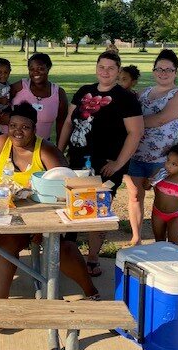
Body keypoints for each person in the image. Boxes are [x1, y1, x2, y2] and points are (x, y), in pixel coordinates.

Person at [0, 102, 99, 300]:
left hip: (45, 218)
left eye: (25, 127)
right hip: (9, 217)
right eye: (13, 126)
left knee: (63, 249)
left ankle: (91, 292)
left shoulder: (46, 151)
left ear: (35, 129)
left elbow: (68, 192)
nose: (18, 132)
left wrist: (42, 226)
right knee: (4, 245)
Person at [58, 50, 143, 277]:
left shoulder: (126, 98)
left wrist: (118, 164)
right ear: (96, 68)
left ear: (118, 71)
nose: (105, 72)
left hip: (106, 165)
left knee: (98, 210)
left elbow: (135, 133)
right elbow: (69, 122)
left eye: (111, 68)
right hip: (77, 161)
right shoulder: (84, 91)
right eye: (102, 67)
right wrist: (59, 152)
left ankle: (92, 257)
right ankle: (69, 253)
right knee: (72, 206)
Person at [124, 49, 178, 246]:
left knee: (163, 202)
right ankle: (136, 237)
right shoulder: (143, 93)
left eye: (168, 70)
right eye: (159, 69)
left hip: (164, 160)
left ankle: (163, 243)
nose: (163, 73)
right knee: (135, 196)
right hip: (135, 155)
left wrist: (129, 123)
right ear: (154, 71)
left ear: (176, 72)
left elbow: (160, 119)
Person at [10, 52, 68, 142]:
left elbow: (61, 125)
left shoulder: (58, 93)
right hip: (14, 144)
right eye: (31, 69)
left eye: (40, 68)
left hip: (42, 147)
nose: (35, 72)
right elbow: (1, 99)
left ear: (48, 68)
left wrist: (59, 149)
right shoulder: (20, 87)